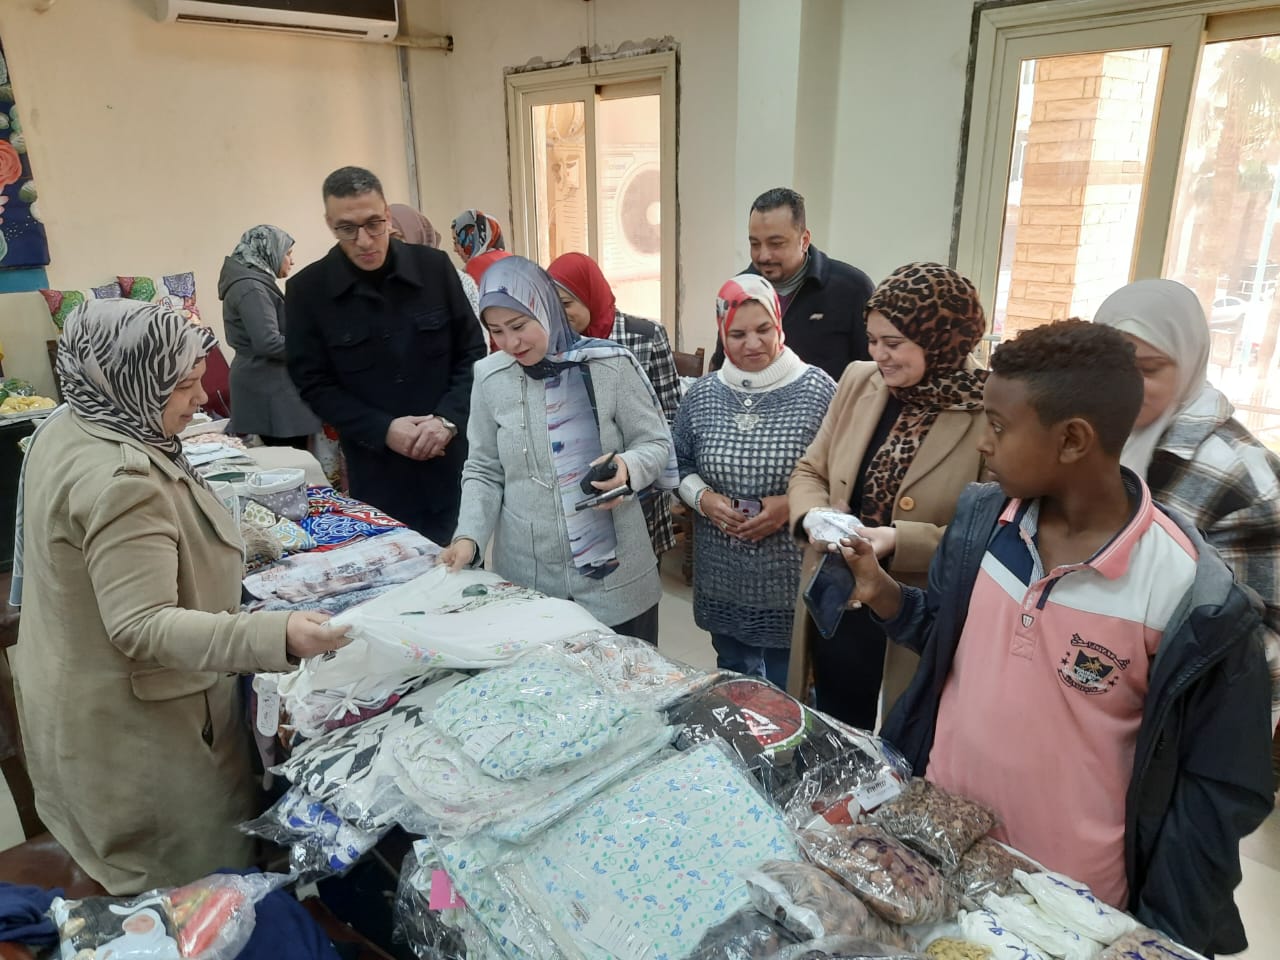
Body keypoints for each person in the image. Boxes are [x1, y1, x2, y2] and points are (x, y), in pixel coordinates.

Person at [840, 319, 1273, 956]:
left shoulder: (1191, 598)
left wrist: (1165, 932)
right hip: (936, 842)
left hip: (1069, 898)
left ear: (1072, 439)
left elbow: (1219, 789)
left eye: (998, 425)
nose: (983, 442)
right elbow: (951, 640)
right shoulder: (983, 524)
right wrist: (884, 594)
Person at [9, 300, 349, 894]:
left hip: (76, 702)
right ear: (131, 379)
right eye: (184, 385)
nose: (200, 400)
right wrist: (277, 634)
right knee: (190, 895)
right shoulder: (123, 482)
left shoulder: (75, 420)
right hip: (142, 731)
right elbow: (142, 625)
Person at [787, 262, 988, 729]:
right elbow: (810, 470)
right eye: (872, 339)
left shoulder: (987, 408)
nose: (878, 354)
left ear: (940, 338)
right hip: (843, 594)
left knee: (906, 731)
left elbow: (989, 534)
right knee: (838, 720)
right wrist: (814, 516)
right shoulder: (859, 380)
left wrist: (898, 540)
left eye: (893, 343)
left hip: (919, 608)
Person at [437, 256, 677, 644]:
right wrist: (469, 537)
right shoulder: (490, 377)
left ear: (546, 307)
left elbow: (656, 442)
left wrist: (627, 468)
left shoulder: (609, 365)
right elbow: (483, 468)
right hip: (530, 578)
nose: (511, 343)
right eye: (496, 331)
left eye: (519, 326)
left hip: (616, 582)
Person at [1094, 278, 1280, 731]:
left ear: (1189, 364)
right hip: (1089, 692)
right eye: (1108, 366)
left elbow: (1262, 641)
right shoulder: (1088, 437)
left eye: (1149, 368)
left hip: (1179, 717)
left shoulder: (1240, 476)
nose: (1125, 386)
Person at [286, 167, 487, 545]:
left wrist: (446, 420)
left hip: (452, 463)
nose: (364, 240)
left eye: (373, 224)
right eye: (347, 228)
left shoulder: (435, 268)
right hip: (378, 472)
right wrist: (383, 430)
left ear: (388, 215)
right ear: (329, 224)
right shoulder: (307, 292)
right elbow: (313, 384)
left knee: (465, 564)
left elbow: (473, 353)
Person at [674, 275, 835, 685]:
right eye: (738, 334)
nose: (752, 343)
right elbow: (678, 463)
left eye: (763, 329)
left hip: (791, 575)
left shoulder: (819, 391)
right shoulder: (703, 394)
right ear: (722, 334)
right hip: (721, 574)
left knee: (790, 686)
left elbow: (843, 475)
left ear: (779, 324)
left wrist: (792, 506)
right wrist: (703, 498)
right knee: (735, 680)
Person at [548, 251, 680, 559]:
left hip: (640, 485)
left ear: (589, 295)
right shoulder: (555, 345)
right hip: (578, 490)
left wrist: (638, 467)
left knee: (640, 568)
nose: (558, 315)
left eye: (565, 304)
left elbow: (670, 413)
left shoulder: (644, 337)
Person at [710, 188, 873, 381]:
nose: (763, 256)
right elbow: (720, 368)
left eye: (776, 244)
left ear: (804, 241)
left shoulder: (851, 289)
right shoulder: (738, 291)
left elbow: (872, 375)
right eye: (755, 244)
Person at [218, 225, 320, 449]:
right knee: (289, 459)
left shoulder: (255, 283)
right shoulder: (251, 288)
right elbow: (268, 342)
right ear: (269, 251)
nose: (291, 261)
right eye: (287, 253)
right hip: (269, 389)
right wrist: (313, 348)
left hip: (269, 384)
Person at [388, 203, 484, 329]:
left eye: (396, 239)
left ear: (417, 236)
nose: (390, 249)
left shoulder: (455, 282)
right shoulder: (378, 288)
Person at [451, 209, 511, 285]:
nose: (455, 249)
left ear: (473, 237)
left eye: (458, 241)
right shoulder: (510, 259)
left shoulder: (475, 265)